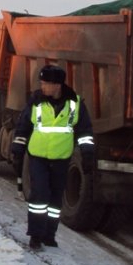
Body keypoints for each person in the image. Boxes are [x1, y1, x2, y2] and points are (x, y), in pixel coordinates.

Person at [11, 64, 95, 250]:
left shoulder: (76, 104)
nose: (42, 86)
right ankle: (35, 235)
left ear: (57, 85)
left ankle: (49, 235)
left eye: (45, 83)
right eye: (41, 83)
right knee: (39, 195)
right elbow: (23, 126)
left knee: (55, 199)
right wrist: (17, 149)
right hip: (37, 157)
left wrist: (87, 155)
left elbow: (85, 132)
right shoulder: (36, 102)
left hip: (61, 158)